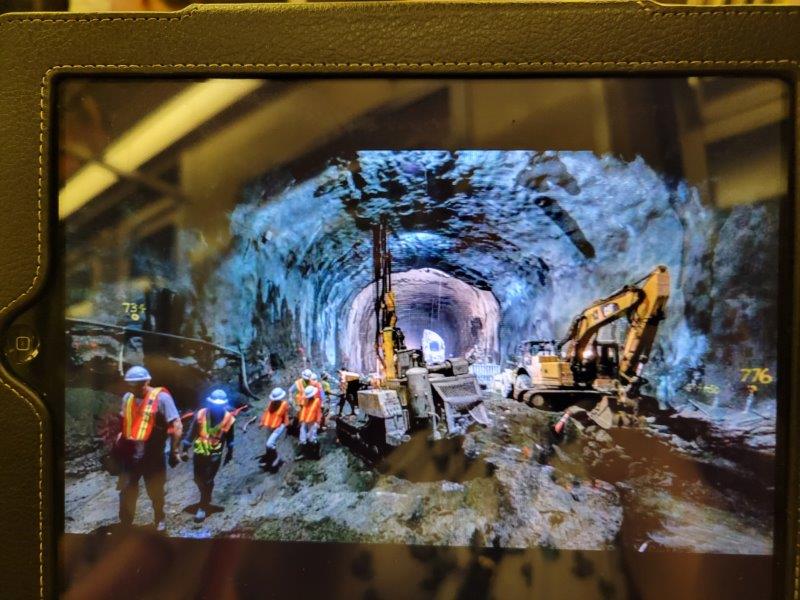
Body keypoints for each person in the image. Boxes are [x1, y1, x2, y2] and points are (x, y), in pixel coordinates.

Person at [115, 365, 183, 531]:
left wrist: (174, 451)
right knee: (127, 490)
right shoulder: (127, 398)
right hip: (131, 454)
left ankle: (159, 517)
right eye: (132, 385)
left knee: (155, 490)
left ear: (147, 381)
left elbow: (176, 424)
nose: (136, 388)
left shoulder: (162, 398)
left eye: (139, 384)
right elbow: (124, 419)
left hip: (153, 454)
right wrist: (119, 439)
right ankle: (125, 523)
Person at [182, 389, 235, 523]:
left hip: (215, 453)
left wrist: (230, 452)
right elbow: (192, 431)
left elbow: (230, 437)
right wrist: (185, 448)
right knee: (197, 478)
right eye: (215, 405)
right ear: (210, 403)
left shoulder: (229, 418)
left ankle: (203, 506)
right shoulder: (200, 414)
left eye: (220, 406)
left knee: (207, 480)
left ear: (224, 405)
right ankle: (207, 493)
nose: (217, 408)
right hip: (199, 451)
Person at [259, 387, 290, 471]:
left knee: (269, 444)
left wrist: (286, 425)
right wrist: (262, 422)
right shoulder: (271, 403)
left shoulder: (284, 404)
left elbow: (285, 415)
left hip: (279, 426)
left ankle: (277, 458)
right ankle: (270, 458)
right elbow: (266, 413)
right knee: (269, 443)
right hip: (270, 424)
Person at [297, 385, 323, 459]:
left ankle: (317, 451)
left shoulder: (317, 401)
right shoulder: (305, 401)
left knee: (312, 438)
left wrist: (318, 422)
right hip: (305, 421)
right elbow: (303, 411)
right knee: (303, 438)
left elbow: (318, 412)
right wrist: (300, 420)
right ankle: (305, 452)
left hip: (313, 421)